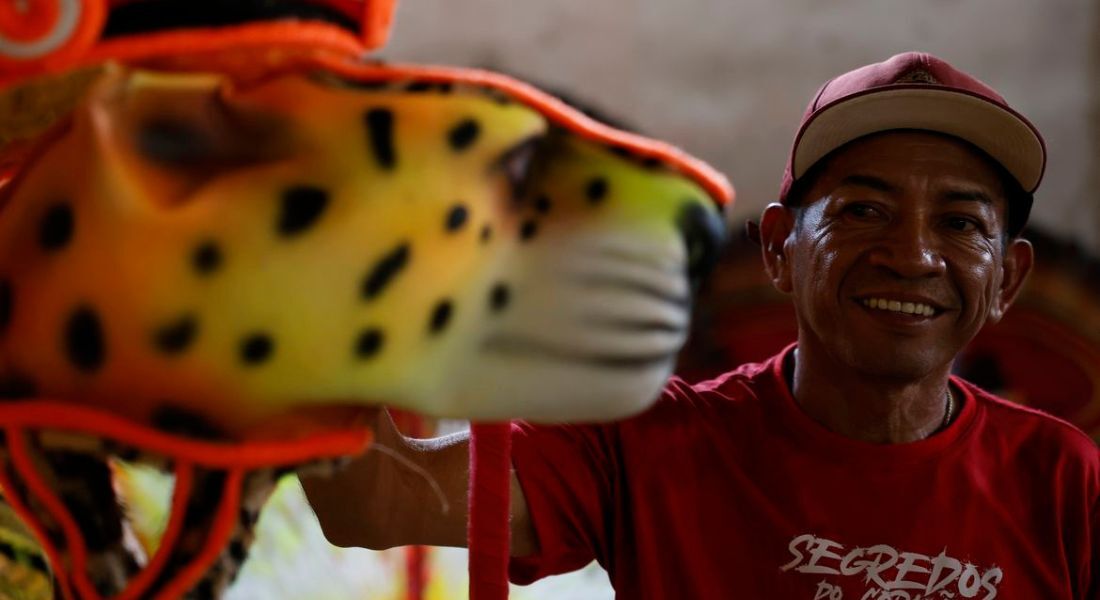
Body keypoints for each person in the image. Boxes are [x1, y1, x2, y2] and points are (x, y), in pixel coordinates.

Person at [302, 52, 1098, 598]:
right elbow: (373, 500)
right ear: (782, 248)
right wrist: (309, 278)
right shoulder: (647, 444)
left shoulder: (1066, 483)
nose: (913, 253)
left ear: (1007, 278)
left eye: (960, 223)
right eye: (865, 210)